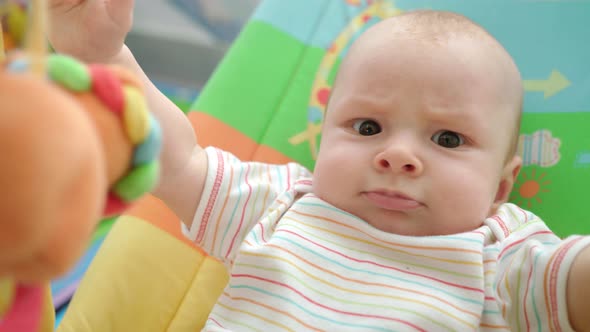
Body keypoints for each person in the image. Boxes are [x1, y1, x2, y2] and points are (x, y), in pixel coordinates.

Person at [48, 1, 590, 330]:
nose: (397, 155)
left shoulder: (503, 256)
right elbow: (180, 162)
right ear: (324, 137)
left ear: (501, 186)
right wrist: (103, 54)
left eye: (448, 138)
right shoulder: (283, 204)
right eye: (368, 128)